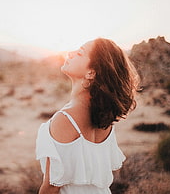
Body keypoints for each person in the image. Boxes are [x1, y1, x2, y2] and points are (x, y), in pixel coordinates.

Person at [36, 38, 139, 194]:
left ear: (91, 72)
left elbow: (51, 186)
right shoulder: (104, 117)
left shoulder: (65, 119)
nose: (70, 54)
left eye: (79, 53)